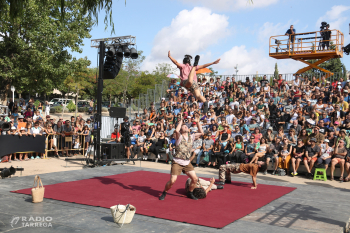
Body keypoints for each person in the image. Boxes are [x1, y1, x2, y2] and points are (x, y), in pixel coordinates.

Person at [159, 116, 204, 201]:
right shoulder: (179, 137)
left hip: (187, 162)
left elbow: (201, 133)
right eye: (184, 126)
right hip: (177, 162)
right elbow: (176, 130)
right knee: (172, 181)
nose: (186, 126)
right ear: (181, 130)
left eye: (186, 126)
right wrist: (181, 121)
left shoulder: (192, 137)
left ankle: (190, 192)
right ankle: (164, 192)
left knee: (195, 179)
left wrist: (198, 122)